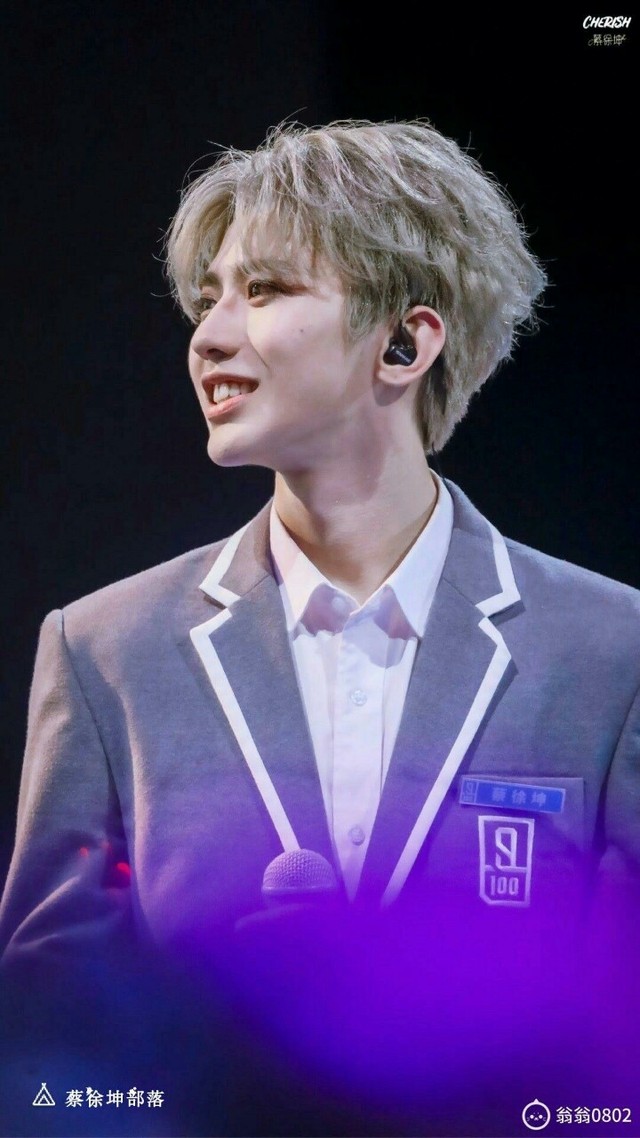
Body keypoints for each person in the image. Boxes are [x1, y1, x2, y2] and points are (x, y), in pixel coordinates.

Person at [1, 119, 639, 1136]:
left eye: (263, 290)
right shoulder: (104, 650)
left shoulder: (611, 653)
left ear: (405, 342)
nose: (209, 337)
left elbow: (619, 1069)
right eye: (207, 299)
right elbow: (49, 1058)